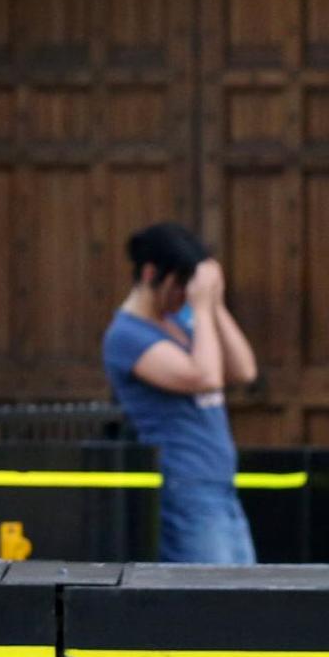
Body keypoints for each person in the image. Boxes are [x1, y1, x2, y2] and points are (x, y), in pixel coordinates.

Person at [102, 223, 261, 564]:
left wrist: (215, 306)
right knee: (211, 603)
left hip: (219, 482)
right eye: (180, 285)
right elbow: (204, 376)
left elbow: (244, 370)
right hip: (184, 487)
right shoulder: (126, 335)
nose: (184, 296)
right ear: (150, 274)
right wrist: (202, 309)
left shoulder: (182, 322)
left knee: (246, 597)